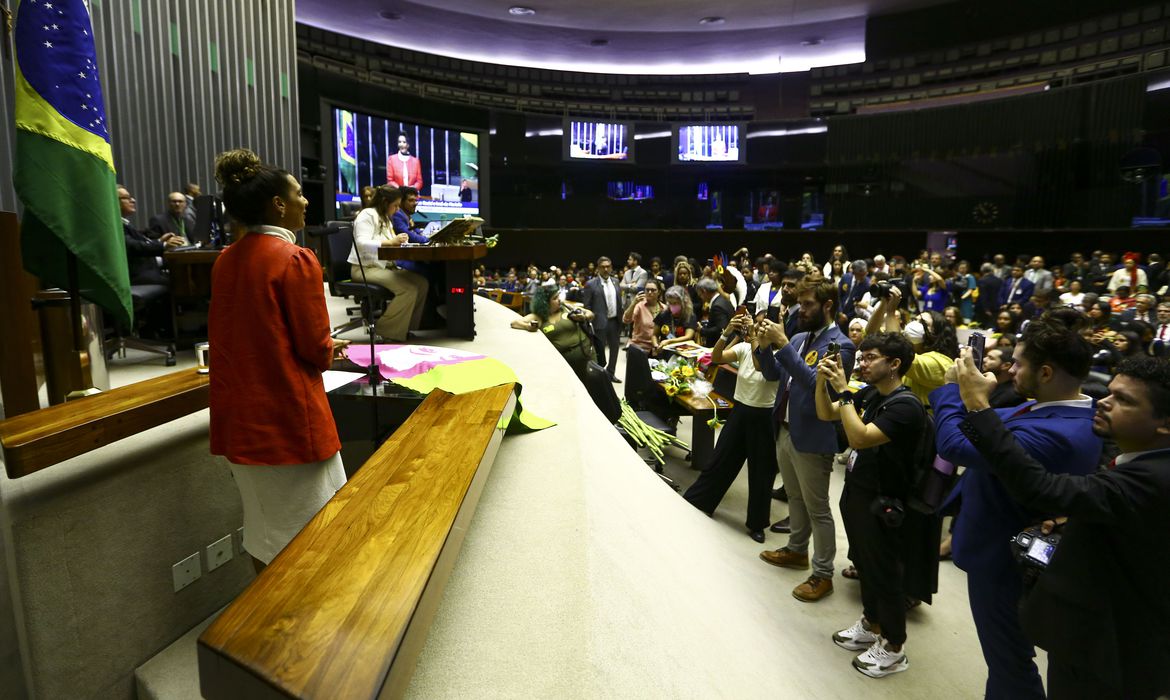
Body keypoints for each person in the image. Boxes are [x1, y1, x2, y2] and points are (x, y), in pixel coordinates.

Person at [956, 352, 1170, 700]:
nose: (1104, 401)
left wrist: (977, 406)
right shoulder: (1144, 459)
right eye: (1110, 391)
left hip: (1107, 650)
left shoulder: (1155, 479)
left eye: (1124, 400)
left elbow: (1041, 486)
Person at [931, 308, 1101, 699]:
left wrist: (952, 392)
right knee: (1004, 656)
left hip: (1004, 558)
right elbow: (987, 425)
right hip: (998, 546)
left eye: (1018, 363)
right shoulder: (1054, 409)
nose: (1010, 369)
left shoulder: (1063, 433)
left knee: (1009, 659)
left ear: (1046, 372)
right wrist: (974, 401)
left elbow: (957, 443)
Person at [207, 148, 348, 570]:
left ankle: (266, 624)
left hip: (239, 419)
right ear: (278, 205)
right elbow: (312, 349)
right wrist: (327, 347)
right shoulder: (295, 259)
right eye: (300, 195)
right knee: (312, 531)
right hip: (286, 418)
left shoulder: (225, 260)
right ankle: (301, 623)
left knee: (262, 530)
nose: (306, 202)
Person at [816, 333, 925, 678]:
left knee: (885, 571)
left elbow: (859, 437)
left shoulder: (906, 406)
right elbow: (825, 413)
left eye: (870, 358)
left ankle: (894, 646)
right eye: (861, 358)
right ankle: (871, 623)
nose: (862, 363)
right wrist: (823, 383)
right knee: (864, 562)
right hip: (858, 491)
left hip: (885, 502)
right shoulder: (871, 393)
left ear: (894, 364)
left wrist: (845, 389)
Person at [755, 277, 856, 602]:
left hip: (814, 435)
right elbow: (773, 375)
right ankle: (797, 550)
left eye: (809, 304)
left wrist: (782, 344)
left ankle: (822, 573)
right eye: (800, 303)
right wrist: (763, 346)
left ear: (828, 305)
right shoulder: (798, 337)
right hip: (785, 427)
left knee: (818, 508)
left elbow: (821, 386)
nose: (802, 309)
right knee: (794, 499)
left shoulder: (841, 345)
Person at [683, 313, 779, 542]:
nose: (757, 327)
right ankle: (701, 500)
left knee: (761, 473)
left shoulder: (778, 356)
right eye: (756, 323)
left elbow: (761, 366)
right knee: (721, 459)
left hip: (764, 415)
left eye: (763, 324)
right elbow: (715, 357)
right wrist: (727, 332)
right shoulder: (745, 348)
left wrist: (754, 338)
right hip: (740, 411)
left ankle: (757, 523)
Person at [347, 186, 428, 342]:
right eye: (395, 205)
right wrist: (390, 242)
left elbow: (391, 244)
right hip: (364, 269)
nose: (397, 209)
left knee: (422, 283)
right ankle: (387, 332)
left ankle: (405, 328)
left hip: (383, 267)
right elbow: (361, 244)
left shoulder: (385, 218)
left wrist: (400, 242)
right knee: (408, 289)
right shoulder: (367, 215)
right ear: (385, 202)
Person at [510, 286, 596, 380]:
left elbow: (590, 313)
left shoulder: (567, 308)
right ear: (545, 302)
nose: (559, 300)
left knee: (595, 384)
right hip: (564, 364)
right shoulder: (539, 316)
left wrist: (584, 317)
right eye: (555, 298)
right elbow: (515, 323)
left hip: (586, 355)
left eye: (558, 296)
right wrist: (528, 327)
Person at [582, 256, 622, 380]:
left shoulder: (616, 281)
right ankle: (599, 376)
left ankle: (610, 373)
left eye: (608, 266)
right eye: (603, 267)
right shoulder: (591, 284)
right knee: (600, 352)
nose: (605, 269)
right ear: (598, 268)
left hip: (615, 321)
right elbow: (587, 306)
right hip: (599, 322)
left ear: (611, 268)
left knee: (615, 349)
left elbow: (618, 301)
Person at [622, 278, 664, 354]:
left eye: (653, 290)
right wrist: (633, 303)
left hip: (658, 349)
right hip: (639, 348)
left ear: (659, 292)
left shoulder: (664, 308)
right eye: (647, 290)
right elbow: (626, 320)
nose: (650, 292)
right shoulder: (639, 306)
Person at [653, 285, 697, 356]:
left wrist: (669, 341)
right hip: (665, 353)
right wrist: (656, 345)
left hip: (683, 353)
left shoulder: (690, 316)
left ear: (683, 302)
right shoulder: (663, 314)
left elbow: (688, 336)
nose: (672, 306)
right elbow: (654, 334)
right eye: (670, 303)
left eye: (675, 303)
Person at [695, 277, 734, 347]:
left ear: (704, 291)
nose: (701, 298)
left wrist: (702, 330)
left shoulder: (717, 306)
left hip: (723, 346)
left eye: (700, 295)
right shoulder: (723, 299)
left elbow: (720, 329)